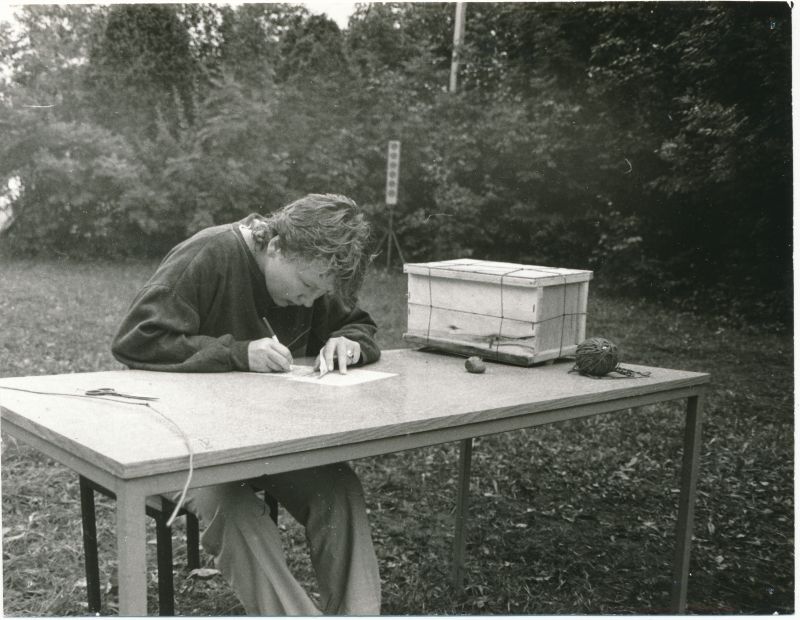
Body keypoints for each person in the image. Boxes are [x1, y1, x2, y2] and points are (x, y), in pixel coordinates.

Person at [111, 194, 382, 615]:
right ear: (274, 246)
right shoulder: (208, 253)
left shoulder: (311, 266)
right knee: (232, 506)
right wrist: (237, 353)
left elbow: (356, 322)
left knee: (339, 489)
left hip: (270, 438)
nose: (311, 303)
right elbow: (137, 339)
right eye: (307, 288)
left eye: (320, 293)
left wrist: (350, 341)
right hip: (186, 442)